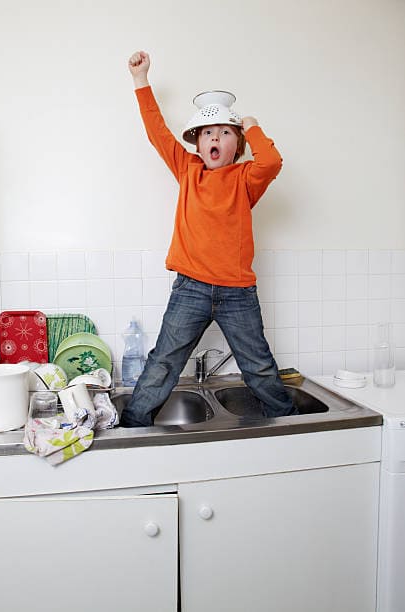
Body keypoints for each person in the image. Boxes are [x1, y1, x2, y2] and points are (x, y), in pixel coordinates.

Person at [120, 50, 295, 427]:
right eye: (208, 134)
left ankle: (293, 427)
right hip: (191, 290)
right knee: (164, 361)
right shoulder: (187, 169)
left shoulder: (246, 179)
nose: (215, 137)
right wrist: (141, 80)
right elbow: (157, 131)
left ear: (238, 145)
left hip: (237, 293)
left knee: (259, 367)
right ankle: (132, 427)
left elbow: (272, 162)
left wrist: (251, 123)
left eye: (226, 133)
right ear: (197, 144)